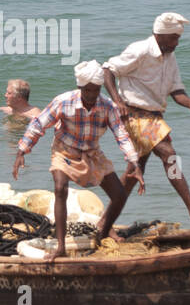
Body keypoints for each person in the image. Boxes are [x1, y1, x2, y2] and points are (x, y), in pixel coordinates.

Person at [14, 61, 145, 257]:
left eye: (96, 91)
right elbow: (38, 124)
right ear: (80, 87)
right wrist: (22, 151)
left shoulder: (107, 106)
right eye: (88, 91)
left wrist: (134, 162)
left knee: (119, 196)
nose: (92, 96)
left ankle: (103, 231)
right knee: (60, 188)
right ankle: (61, 247)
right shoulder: (63, 102)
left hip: (92, 153)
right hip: (64, 152)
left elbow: (121, 134)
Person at [103, 12, 190, 226]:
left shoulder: (170, 58)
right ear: (160, 35)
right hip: (134, 115)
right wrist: (117, 100)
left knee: (133, 174)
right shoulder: (140, 50)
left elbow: (176, 90)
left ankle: (104, 224)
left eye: (178, 38)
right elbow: (108, 70)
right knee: (169, 154)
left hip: (154, 117)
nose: (177, 43)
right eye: (174, 38)